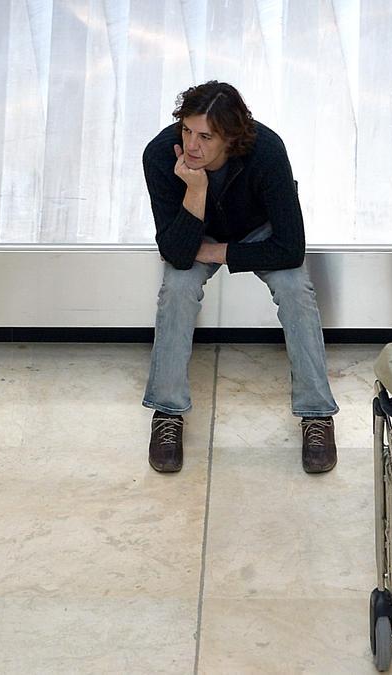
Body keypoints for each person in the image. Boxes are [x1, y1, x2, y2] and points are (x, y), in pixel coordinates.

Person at [141, 80, 339, 474]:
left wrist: (221, 253)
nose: (192, 145)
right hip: (196, 230)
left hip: (256, 232)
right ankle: (167, 411)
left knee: (294, 286)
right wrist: (195, 189)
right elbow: (177, 254)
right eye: (187, 130)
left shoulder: (266, 150)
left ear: (230, 138)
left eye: (205, 137)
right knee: (178, 287)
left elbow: (290, 248)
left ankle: (316, 414)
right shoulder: (162, 155)